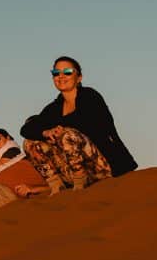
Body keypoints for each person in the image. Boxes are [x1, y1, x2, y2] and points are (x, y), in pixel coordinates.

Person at [20, 56, 137, 194]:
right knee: (30, 142)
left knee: (68, 135)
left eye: (67, 72)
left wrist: (59, 128)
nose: (61, 76)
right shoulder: (54, 108)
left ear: (79, 77)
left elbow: (90, 123)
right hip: (71, 170)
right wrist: (46, 132)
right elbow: (26, 128)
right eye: (56, 73)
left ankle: (79, 189)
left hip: (104, 166)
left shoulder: (90, 96)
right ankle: (57, 187)